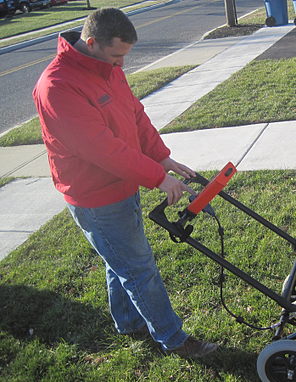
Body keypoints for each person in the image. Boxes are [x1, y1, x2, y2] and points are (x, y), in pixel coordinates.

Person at [33, 7, 218, 359]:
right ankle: (173, 338)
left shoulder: (106, 69)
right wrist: (157, 178)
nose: (122, 65)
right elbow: (104, 150)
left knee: (119, 260)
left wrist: (161, 156)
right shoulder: (57, 87)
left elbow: (134, 114)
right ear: (91, 43)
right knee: (139, 269)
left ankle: (128, 323)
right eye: (117, 56)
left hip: (123, 185)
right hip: (96, 198)